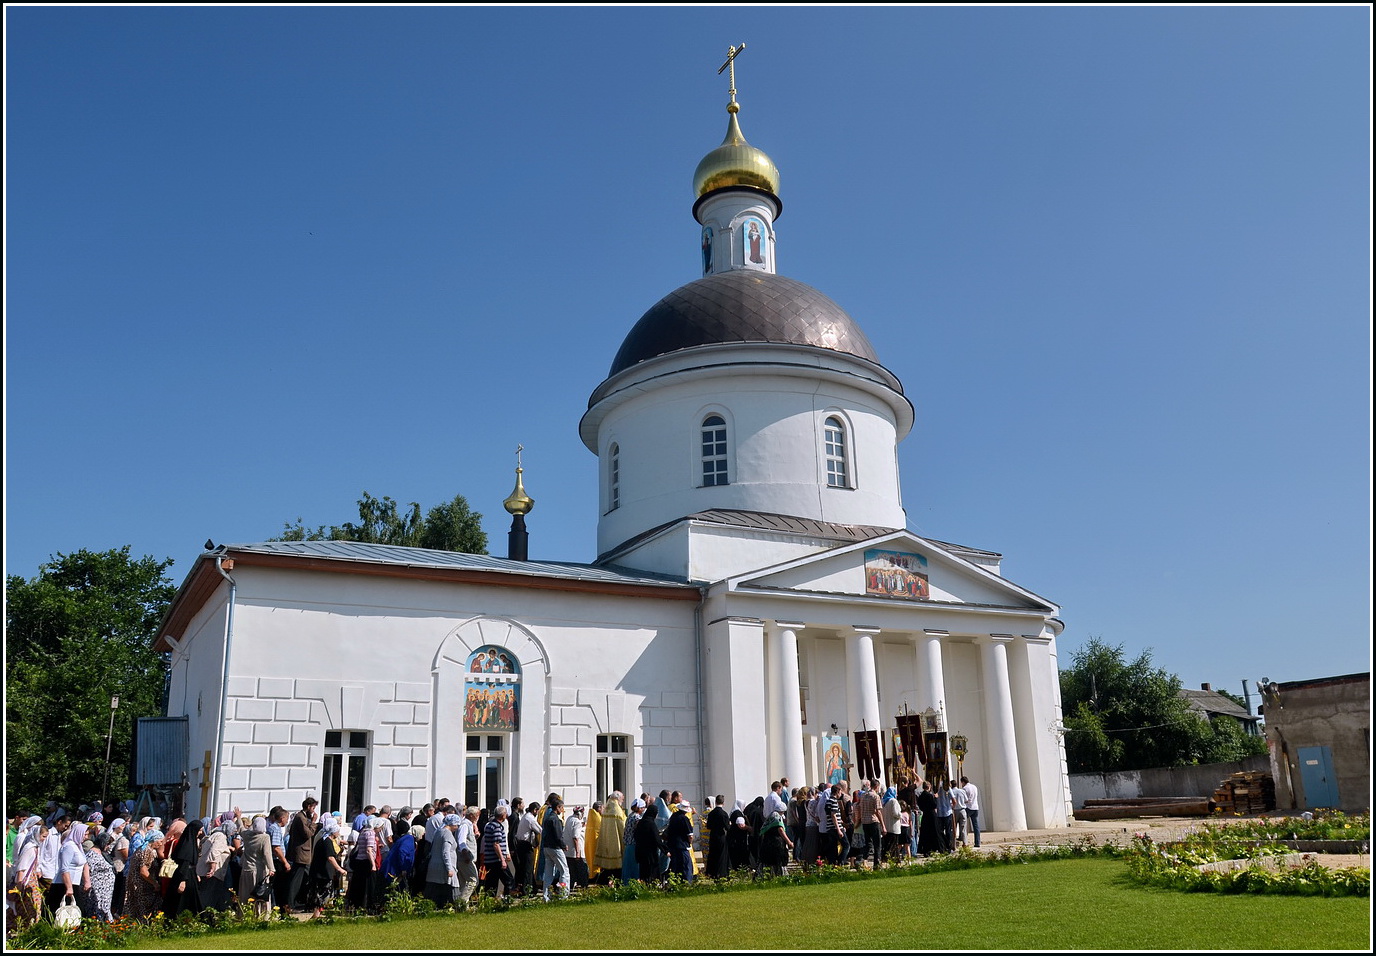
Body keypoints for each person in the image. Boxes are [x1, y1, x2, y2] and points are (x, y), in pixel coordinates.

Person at [284, 797, 318, 912]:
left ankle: (295, 901)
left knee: (300, 878)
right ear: (308, 806)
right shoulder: (300, 817)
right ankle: (290, 903)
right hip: (301, 853)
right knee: (296, 879)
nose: (313, 810)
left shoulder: (302, 817)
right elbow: (307, 833)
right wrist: (313, 822)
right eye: (313, 807)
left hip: (302, 853)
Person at [124, 828, 164, 922]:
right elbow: (143, 871)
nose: (161, 844)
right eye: (160, 841)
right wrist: (155, 883)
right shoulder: (147, 851)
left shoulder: (141, 848)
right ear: (154, 840)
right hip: (143, 886)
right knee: (144, 911)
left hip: (135, 884)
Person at [238, 816, 274, 920]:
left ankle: (244, 915)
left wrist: (239, 817)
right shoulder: (265, 837)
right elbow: (267, 854)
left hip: (246, 869)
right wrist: (272, 868)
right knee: (260, 895)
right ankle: (261, 916)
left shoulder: (247, 835)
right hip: (259, 870)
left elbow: (241, 829)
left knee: (246, 895)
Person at [424, 814, 461, 909]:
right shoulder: (447, 834)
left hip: (434, 866)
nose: (457, 828)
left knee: (434, 890)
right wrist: (449, 868)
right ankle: (453, 908)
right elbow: (446, 852)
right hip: (443, 867)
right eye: (456, 825)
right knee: (449, 890)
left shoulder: (438, 831)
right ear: (452, 824)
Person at [481, 805, 513, 898]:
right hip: (496, 860)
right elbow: (496, 844)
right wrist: (502, 859)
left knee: (491, 882)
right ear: (503, 815)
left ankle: (489, 900)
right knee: (509, 880)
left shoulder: (489, 825)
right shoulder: (497, 827)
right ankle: (507, 900)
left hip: (489, 859)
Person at [540, 797, 569, 901]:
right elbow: (558, 835)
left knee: (548, 873)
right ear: (558, 807)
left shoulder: (547, 818)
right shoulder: (555, 819)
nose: (563, 810)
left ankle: (546, 896)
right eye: (562, 807)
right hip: (555, 848)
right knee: (564, 871)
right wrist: (563, 845)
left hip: (547, 847)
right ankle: (563, 895)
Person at [853, 778, 885, 869]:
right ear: (876, 786)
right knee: (877, 844)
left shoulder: (863, 795)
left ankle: (862, 860)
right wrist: (883, 825)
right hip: (873, 821)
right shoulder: (875, 796)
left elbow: (860, 808)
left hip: (865, 822)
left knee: (867, 843)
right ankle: (877, 864)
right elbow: (878, 811)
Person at [593, 792, 625, 884]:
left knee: (607, 868)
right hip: (615, 841)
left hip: (606, 840)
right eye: (622, 799)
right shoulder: (617, 811)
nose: (622, 800)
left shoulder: (606, 809)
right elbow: (622, 827)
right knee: (616, 868)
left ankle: (602, 882)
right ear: (617, 799)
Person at [632, 802, 663, 885]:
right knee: (652, 873)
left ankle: (644, 885)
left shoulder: (641, 822)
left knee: (643, 872)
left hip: (640, 852)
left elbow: (635, 835)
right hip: (650, 854)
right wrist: (665, 850)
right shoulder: (651, 824)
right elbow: (657, 839)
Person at [513, 801, 540, 896]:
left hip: (520, 844)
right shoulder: (531, 819)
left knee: (526, 867)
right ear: (535, 810)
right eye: (538, 811)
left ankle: (533, 888)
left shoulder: (525, 816)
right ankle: (526, 890)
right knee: (527, 868)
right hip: (525, 845)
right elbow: (540, 830)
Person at [664, 802, 694, 882]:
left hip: (672, 845)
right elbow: (690, 835)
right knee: (686, 866)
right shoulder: (684, 819)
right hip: (682, 845)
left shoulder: (674, 816)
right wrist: (690, 843)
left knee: (676, 866)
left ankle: (675, 881)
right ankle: (686, 883)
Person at [758, 811, 793, 876]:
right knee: (778, 862)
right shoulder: (777, 817)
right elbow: (780, 829)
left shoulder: (769, 819)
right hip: (777, 844)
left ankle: (767, 876)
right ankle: (779, 876)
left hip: (767, 844)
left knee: (767, 862)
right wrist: (789, 842)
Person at [704, 795, 730, 879]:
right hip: (721, 835)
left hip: (713, 835)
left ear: (715, 802)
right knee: (721, 855)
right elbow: (727, 827)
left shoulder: (711, 813)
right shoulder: (724, 813)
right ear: (723, 803)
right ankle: (721, 872)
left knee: (713, 854)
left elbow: (708, 826)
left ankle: (713, 872)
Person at [564, 806, 588, 889]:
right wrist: (578, 852)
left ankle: (569, 887)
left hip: (568, 851)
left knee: (571, 871)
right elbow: (575, 837)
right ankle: (584, 886)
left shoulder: (569, 819)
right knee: (582, 870)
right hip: (576, 851)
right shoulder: (577, 822)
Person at [916, 781, 939, 857]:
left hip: (925, 815)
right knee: (933, 831)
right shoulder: (929, 796)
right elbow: (934, 805)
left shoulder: (921, 795)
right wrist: (935, 798)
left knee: (925, 833)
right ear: (929, 787)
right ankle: (933, 848)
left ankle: (925, 849)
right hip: (931, 815)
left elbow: (920, 805)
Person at [961, 776, 981, 848]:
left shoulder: (964, 789)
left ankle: (964, 840)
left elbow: (964, 799)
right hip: (975, 807)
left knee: (963, 824)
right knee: (976, 826)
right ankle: (977, 842)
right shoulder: (974, 787)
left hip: (968, 807)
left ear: (963, 782)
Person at [950, 778, 969, 847]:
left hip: (954, 810)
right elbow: (966, 800)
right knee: (963, 828)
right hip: (962, 810)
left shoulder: (951, 792)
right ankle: (965, 843)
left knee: (953, 828)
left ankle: (953, 844)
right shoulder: (962, 791)